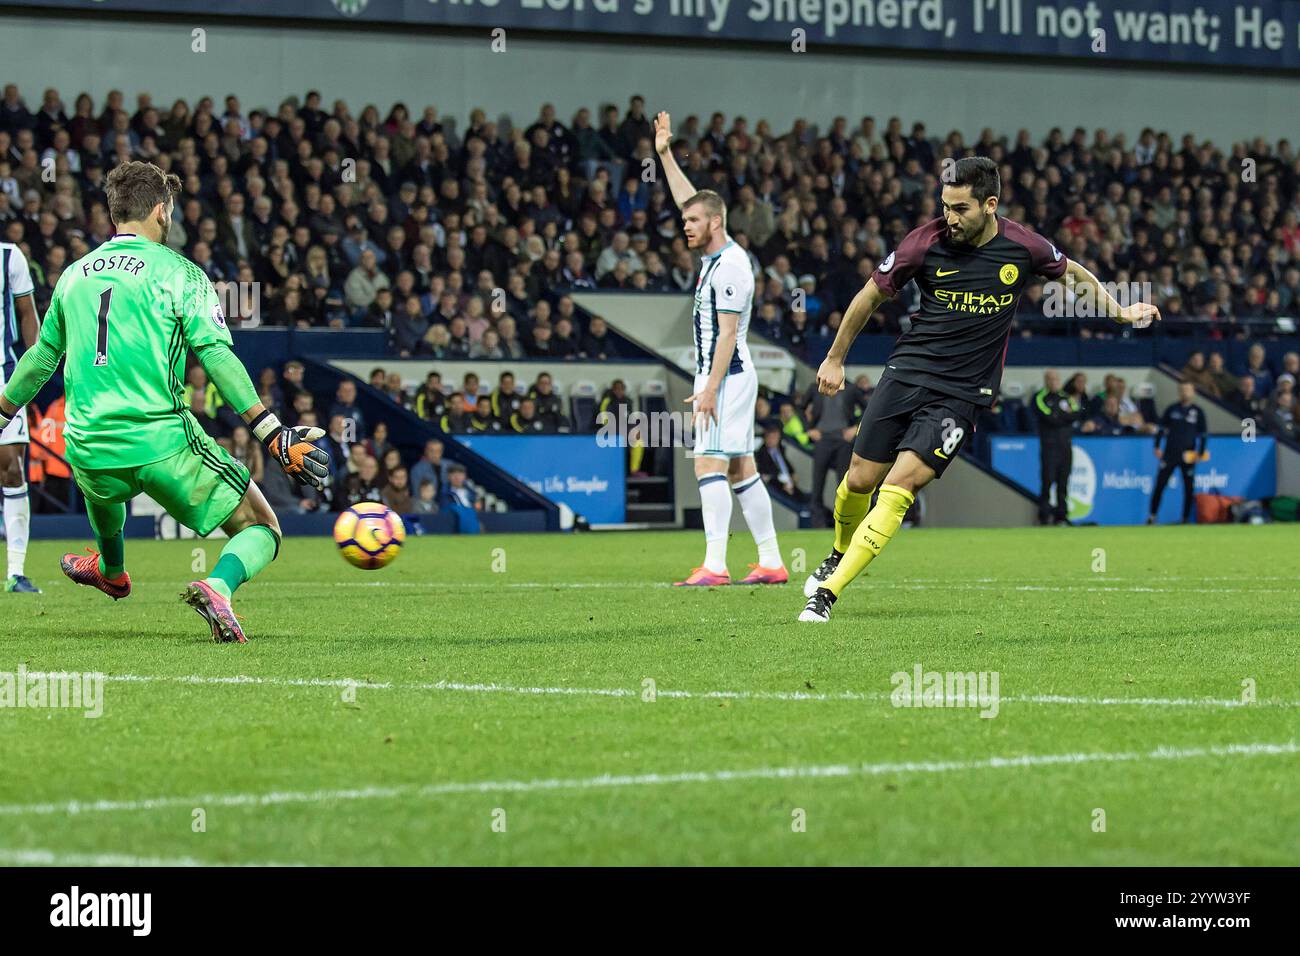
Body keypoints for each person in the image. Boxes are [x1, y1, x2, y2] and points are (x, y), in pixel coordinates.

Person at [798, 156, 1158, 622]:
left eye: (961, 209)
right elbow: (869, 296)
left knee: (900, 484)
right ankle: (840, 552)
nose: (950, 218)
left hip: (962, 394)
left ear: (990, 205)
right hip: (906, 375)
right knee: (859, 481)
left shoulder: (1022, 245)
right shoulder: (922, 244)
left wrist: (1119, 312)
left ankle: (826, 593)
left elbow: (1073, 275)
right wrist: (834, 357)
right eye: (945, 206)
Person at [0, 162, 330, 642]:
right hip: (160, 441)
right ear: (161, 210)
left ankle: (112, 570)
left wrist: (3, 410)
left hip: (88, 443)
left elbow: (41, 358)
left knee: (103, 492)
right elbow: (215, 356)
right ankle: (218, 587)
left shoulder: (73, 276)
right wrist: (270, 430)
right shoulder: (180, 272)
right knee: (262, 525)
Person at [655, 110, 786, 586]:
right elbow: (690, 198)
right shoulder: (717, 255)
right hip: (725, 376)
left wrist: (709, 388)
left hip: (725, 375)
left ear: (715, 222)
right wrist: (665, 154)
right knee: (740, 468)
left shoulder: (730, 266)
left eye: (692, 221)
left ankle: (715, 565)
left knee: (708, 463)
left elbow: (728, 335)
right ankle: (771, 561)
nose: (684, 226)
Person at [0, 236, 40, 591]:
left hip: (4, 379)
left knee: (11, 468)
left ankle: (15, 572)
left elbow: (27, 315)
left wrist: (35, 371)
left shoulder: (9, 256)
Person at [1149, 381, 1207, 525]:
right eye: (1182, 389)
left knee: (1188, 487)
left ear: (1193, 392)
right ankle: (1152, 515)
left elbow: (1203, 434)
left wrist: (1200, 452)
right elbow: (1161, 429)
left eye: (1188, 389)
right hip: (1170, 454)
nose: (1185, 392)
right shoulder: (1172, 409)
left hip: (1188, 456)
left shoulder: (1198, 412)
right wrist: (1157, 445)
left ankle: (1185, 518)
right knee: (1160, 484)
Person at [1031, 369, 1081, 526]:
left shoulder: (1066, 398)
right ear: (1046, 381)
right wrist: (1062, 416)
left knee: (1063, 481)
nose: (1054, 382)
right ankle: (1044, 516)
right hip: (1049, 446)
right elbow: (1047, 416)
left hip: (1065, 445)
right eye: (1051, 379)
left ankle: (1061, 515)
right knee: (1047, 481)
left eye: (1056, 379)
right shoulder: (1039, 397)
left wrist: (1058, 415)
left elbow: (1075, 414)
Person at [755, 424, 799, 498]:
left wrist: (793, 474)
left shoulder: (780, 449)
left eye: (775, 438)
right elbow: (766, 474)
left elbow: (785, 464)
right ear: (765, 438)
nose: (773, 440)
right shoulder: (762, 453)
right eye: (770, 437)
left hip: (791, 483)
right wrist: (782, 484)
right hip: (779, 487)